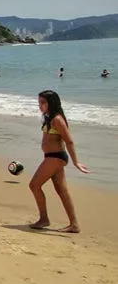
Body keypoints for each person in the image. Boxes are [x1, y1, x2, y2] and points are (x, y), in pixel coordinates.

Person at [29, 90, 89, 232]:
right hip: (51, 157)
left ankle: (44, 219)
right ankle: (74, 224)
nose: (40, 106)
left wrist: (76, 162)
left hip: (55, 157)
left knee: (34, 185)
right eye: (39, 102)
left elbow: (69, 141)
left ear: (52, 103)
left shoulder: (57, 119)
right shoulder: (48, 118)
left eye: (43, 103)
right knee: (61, 190)